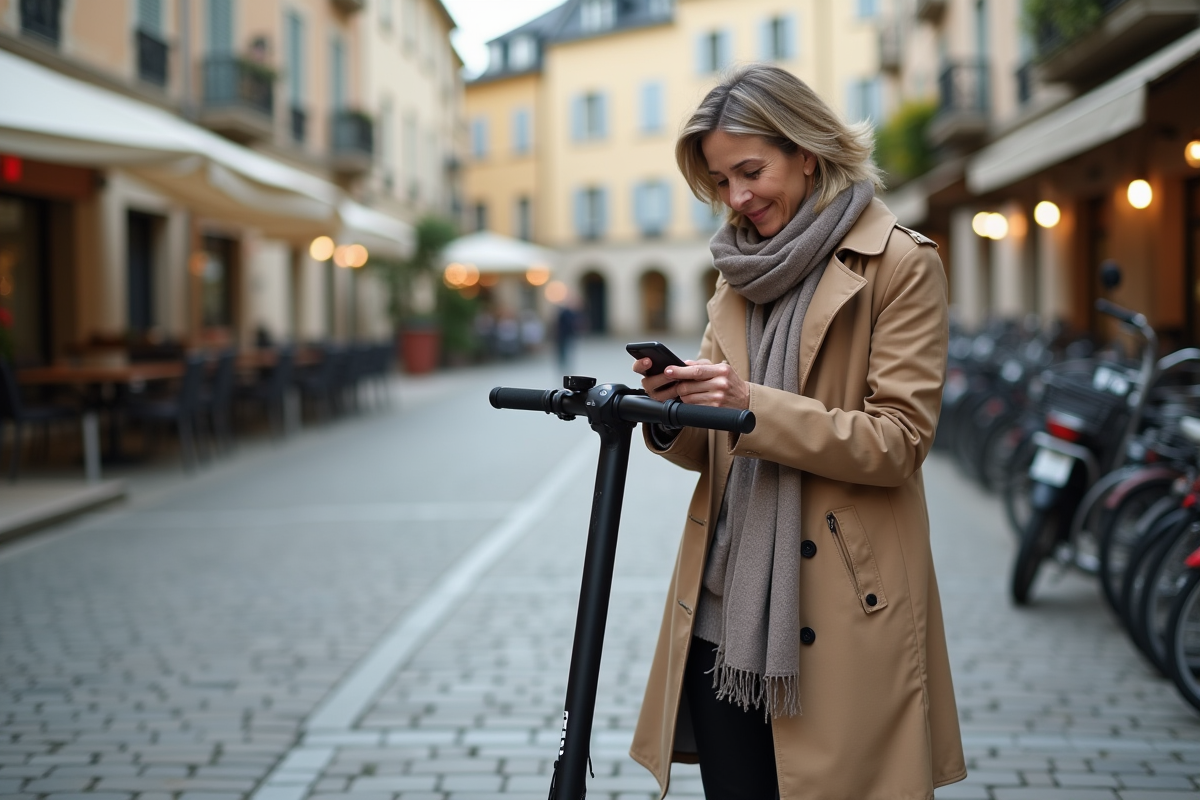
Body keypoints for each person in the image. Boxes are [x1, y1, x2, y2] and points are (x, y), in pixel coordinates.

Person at [628, 64, 966, 800]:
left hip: (841, 607)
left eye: (751, 172)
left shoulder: (899, 263)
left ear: (807, 153)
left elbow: (900, 441)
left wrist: (751, 405)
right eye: (721, 181)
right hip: (722, 612)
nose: (737, 198)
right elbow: (720, 444)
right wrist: (673, 411)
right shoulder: (738, 274)